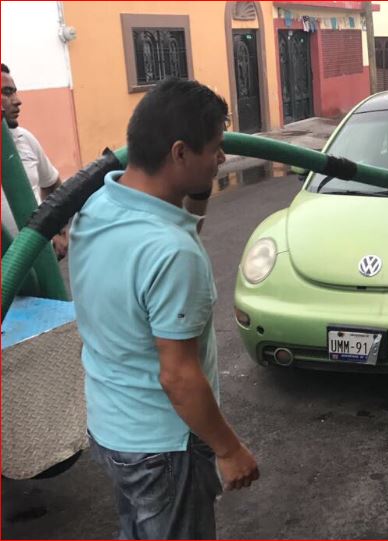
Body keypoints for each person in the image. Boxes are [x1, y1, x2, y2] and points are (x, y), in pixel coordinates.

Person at [68, 78, 258, 539]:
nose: (222, 159)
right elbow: (177, 376)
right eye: (214, 149)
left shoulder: (97, 205)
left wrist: (201, 190)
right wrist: (228, 449)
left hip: (112, 429)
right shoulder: (171, 253)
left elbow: (178, 231)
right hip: (163, 448)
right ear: (178, 153)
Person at [2, 62, 68, 257]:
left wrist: (57, 230)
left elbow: (53, 185)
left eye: (15, 92)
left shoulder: (25, 139)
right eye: (7, 92)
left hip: (40, 264)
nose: (17, 100)